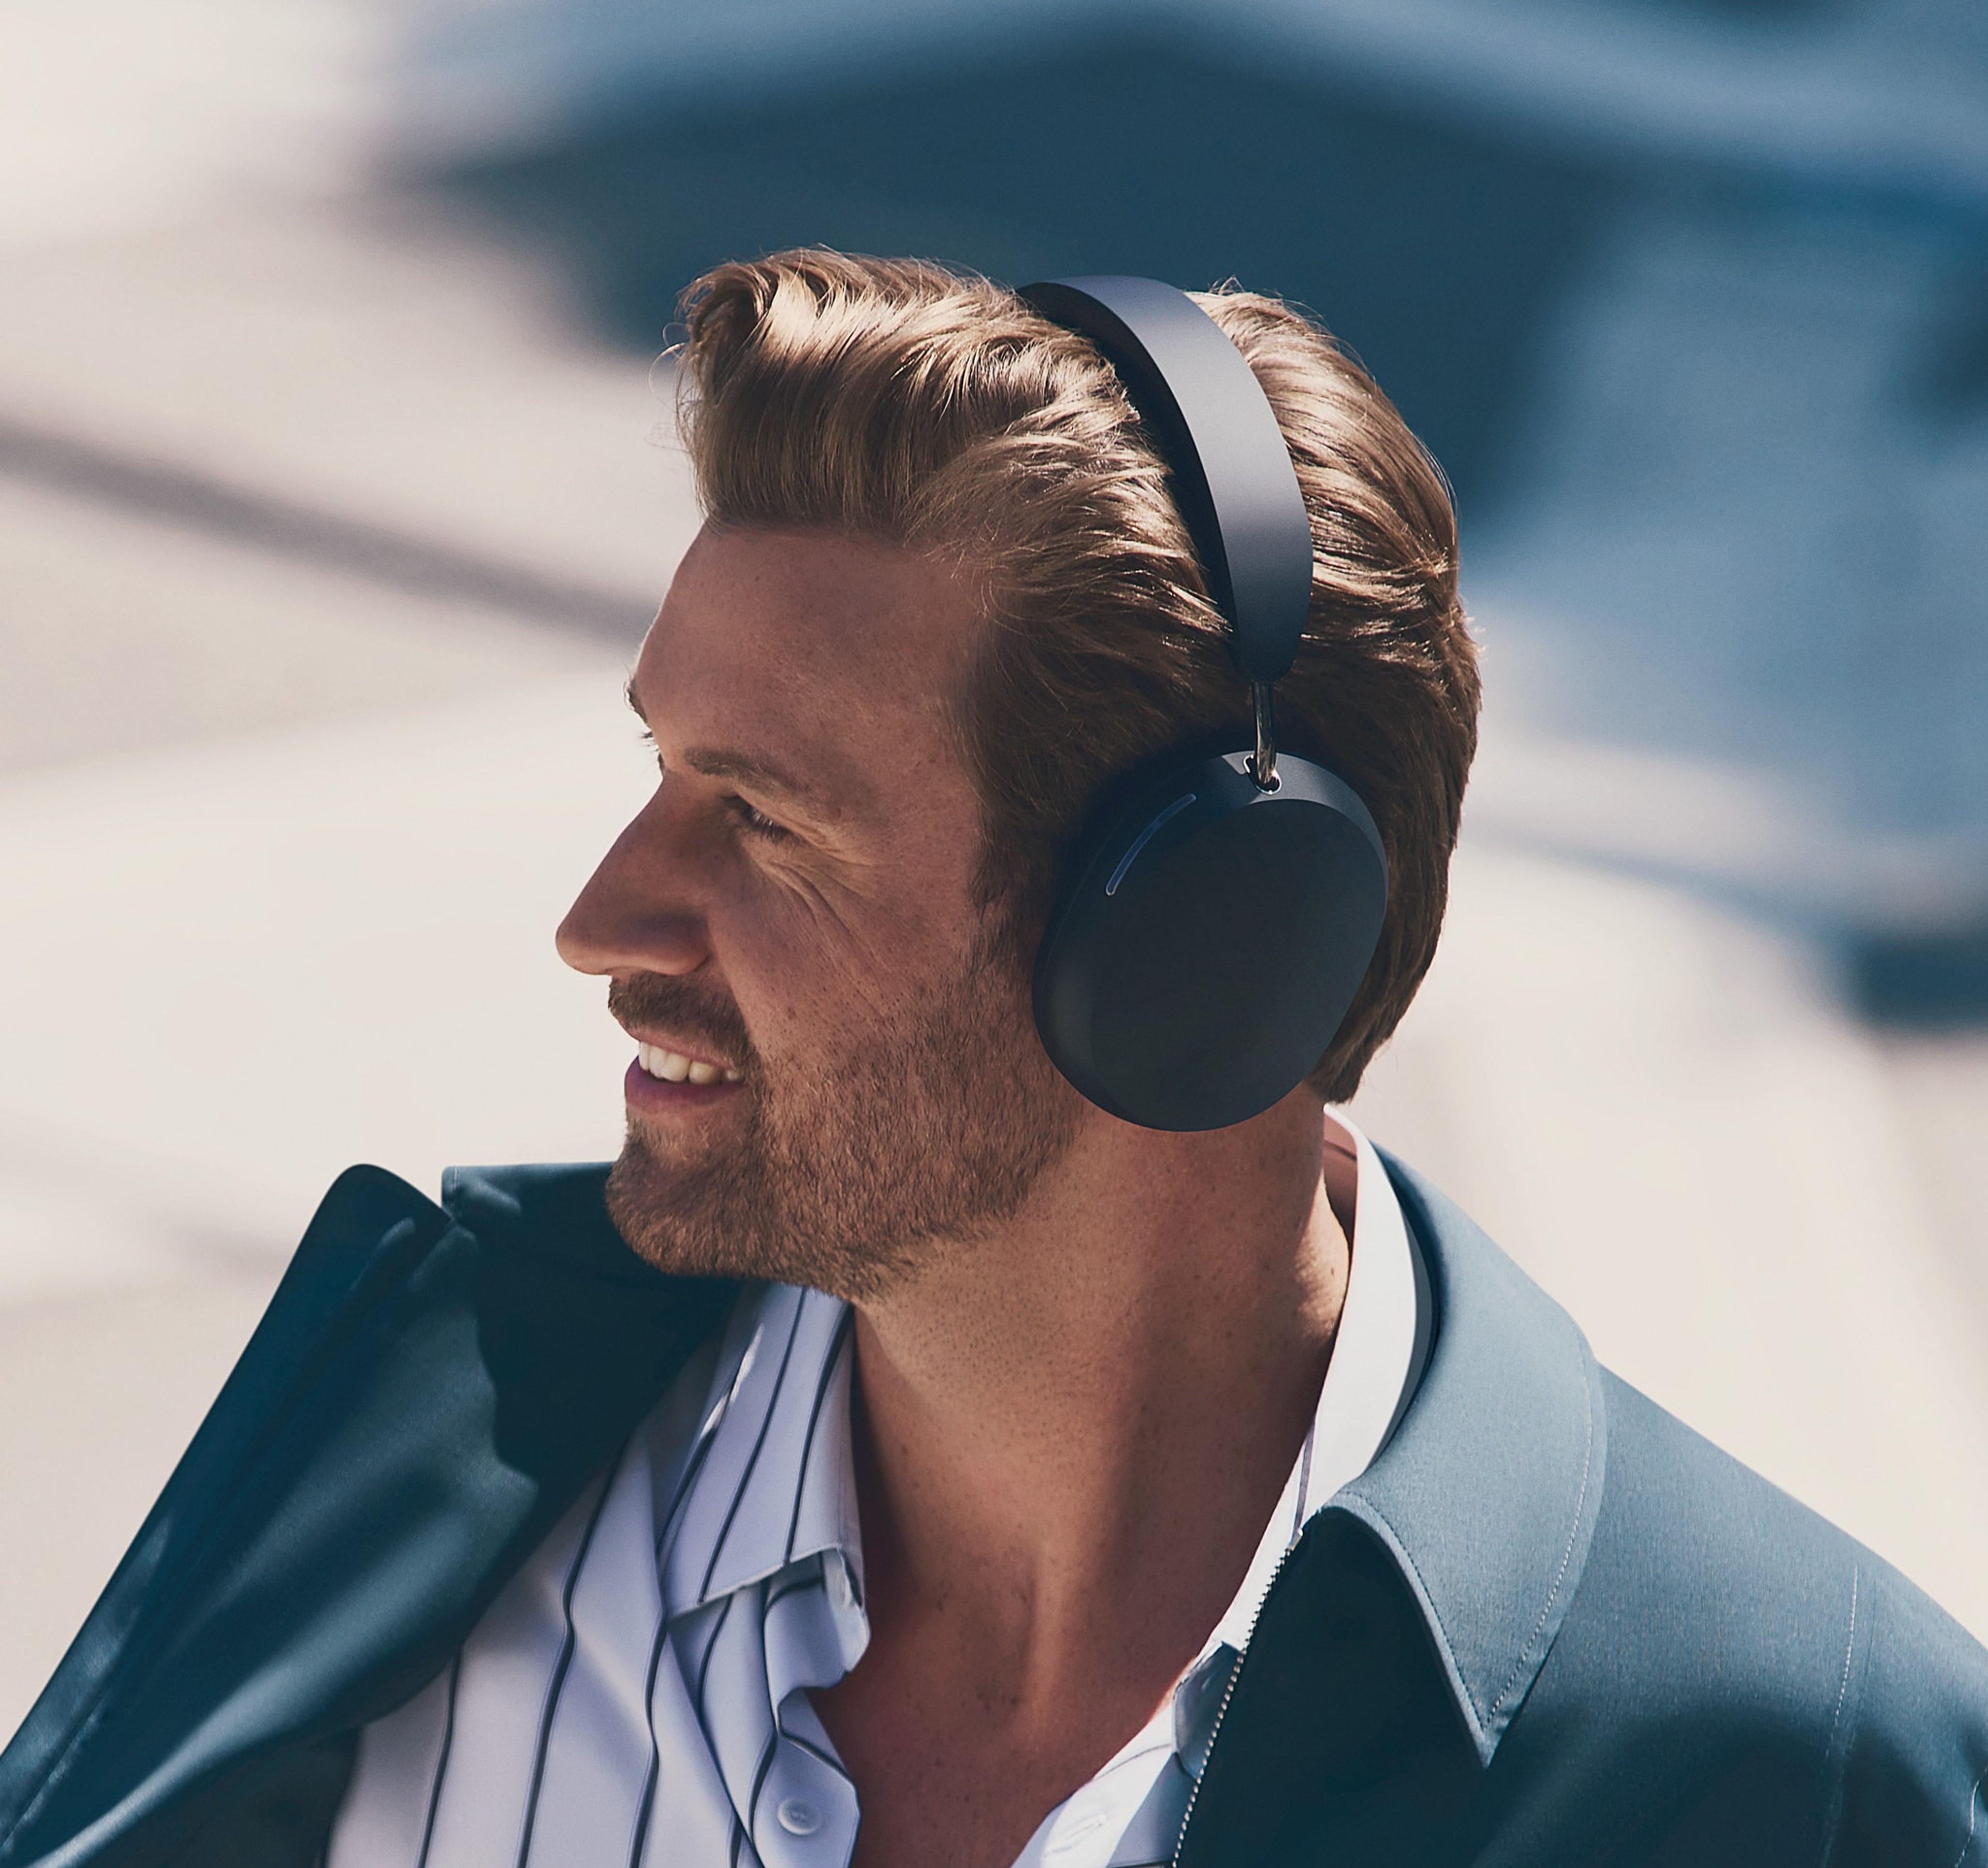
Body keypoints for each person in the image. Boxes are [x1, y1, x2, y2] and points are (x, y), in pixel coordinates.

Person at [2, 251, 1983, 1868]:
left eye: (763, 821)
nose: (604, 920)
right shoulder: (408, 1492)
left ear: (1202, 935)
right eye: (658, 773)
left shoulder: (1802, 1768)